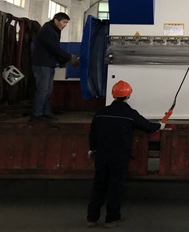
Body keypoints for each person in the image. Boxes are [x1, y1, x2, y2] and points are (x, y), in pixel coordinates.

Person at [86, 80, 165, 228]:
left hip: (102, 155)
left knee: (99, 186)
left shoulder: (101, 113)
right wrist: (160, 125)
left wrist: (92, 149)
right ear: (128, 95)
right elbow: (148, 126)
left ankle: (92, 218)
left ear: (113, 95)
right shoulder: (130, 114)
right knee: (115, 187)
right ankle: (111, 219)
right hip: (119, 157)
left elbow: (93, 133)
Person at [30, 12, 80, 122]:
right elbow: (53, 48)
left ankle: (45, 112)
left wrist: (62, 59)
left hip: (48, 64)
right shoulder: (47, 31)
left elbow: (52, 49)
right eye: (64, 22)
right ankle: (37, 114)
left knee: (47, 90)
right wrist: (69, 57)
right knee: (43, 90)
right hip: (42, 64)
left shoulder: (53, 30)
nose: (65, 25)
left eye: (66, 23)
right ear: (56, 20)